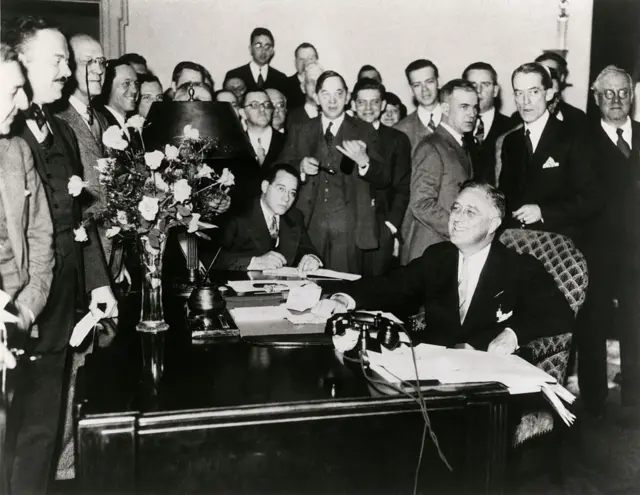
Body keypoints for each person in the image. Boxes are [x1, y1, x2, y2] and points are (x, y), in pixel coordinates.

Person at [3, 17, 117, 494]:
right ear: (20, 65)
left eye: (68, 62)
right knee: (13, 431)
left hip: (60, 299)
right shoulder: (9, 135)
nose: (66, 72)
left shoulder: (62, 131)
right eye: (56, 61)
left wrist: (98, 281)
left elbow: (79, 220)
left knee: (42, 431)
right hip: (19, 304)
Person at [324, 181, 574, 352]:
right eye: (456, 208)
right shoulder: (438, 257)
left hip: (486, 384)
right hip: (433, 376)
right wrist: (345, 298)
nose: (457, 218)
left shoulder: (519, 268)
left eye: (470, 212)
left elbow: (560, 313)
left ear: (493, 224)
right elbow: (393, 285)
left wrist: (513, 333)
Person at [277, 70, 389, 274]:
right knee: (306, 284)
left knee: (343, 287)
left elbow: (384, 178)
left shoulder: (365, 130)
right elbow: (282, 166)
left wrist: (364, 161)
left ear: (347, 97)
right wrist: (300, 166)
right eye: (326, 94)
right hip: (309, 226)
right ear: (317, 97)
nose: (332, 100)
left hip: (349, 228)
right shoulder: (301, 129)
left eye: (338, 93)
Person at [579, 65, 640, 423]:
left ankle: (634, 394)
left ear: (632, 96)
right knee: (593, 323)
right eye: (608, 93)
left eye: (623, 93)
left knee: (637, 319)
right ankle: (593, 400)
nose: (616, 100)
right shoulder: (581, 141)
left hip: (638, 252)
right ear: (596, 96)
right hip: (596, 250)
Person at [497, 62, 599, 239]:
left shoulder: (573, 137)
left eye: (534, 92)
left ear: (549, 93)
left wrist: (543, 212)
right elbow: (506, 195)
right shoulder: (510, 142)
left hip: (560, 244)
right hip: (517, 243)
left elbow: (591, 198)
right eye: (519, 93)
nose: (525, 101)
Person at [0, 40, 53, 361]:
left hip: (17, 321)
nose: (22, 103)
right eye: (12, 92)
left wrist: (26, 309)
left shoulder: (17, 152)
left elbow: (40, 237)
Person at [400, 79, 477, 264]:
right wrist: (462, 228)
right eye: (464, 107)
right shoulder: (431, 147)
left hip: (447, 248)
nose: (472, 114)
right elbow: (422, 204)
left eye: (475, 107)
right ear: (445, 108)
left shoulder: (461, 144)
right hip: (430, 249)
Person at [351, 78, 410, 276]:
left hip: (380, 228)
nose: (368, 108)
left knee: (376, 289)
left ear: (383, 105)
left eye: (374, 102)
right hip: (347, 229)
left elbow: (403, 187)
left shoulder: (397, 139)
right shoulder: (343, 134)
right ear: (352, 104)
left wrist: (391, 227)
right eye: (361, 102)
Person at [214, 163, 322, 272]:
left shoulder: (294, 216)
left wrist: (313, 258)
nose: (286, 198)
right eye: (281, 189)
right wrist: (253, 262)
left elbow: (307, 248)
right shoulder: (238, 213)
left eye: (292, 193)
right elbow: (211, 256)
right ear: (265, 186)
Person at [55, 35, 109, 207]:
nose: (99, 70)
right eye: (88, 62)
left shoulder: (103, 120)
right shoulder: (58, 120)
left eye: (101, 62)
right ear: (69, 68)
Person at [462, 62, 513, 184]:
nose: (478, 91)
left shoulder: (512, 127)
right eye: (472, 85)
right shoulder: (456, 127)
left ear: (495, 91)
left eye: (485, 84)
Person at [394, 59, 441, 153]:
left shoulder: (456, 119)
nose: (425, 89)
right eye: (417, 85)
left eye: (429, 81)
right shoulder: (400, 131)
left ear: (438, 82)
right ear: (411, 90)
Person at [224, 27, 289, 95]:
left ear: (272, 51)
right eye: (258, 45)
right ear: (250, 49)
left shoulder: (281, 78)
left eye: (267, 46)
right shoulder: (234, 75)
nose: (263, 51)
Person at [100, 59, 142, 151]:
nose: (135, 90)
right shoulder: (101, 124)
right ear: (108, 86)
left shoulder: (131, 126)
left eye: (136, 83)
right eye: (126, 83)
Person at [535, 52, 586, 127]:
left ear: (562, 77)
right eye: (540, 73)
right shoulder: (520, 117)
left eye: (551, 73)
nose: (544, 80)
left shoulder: (577, 117)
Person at [242, 89, 286, 167]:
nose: (262, 109)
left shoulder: (287, 141)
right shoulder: (236, 145)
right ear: (243, 113)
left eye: (267, 105)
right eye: (254, 105)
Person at [286, 61, 323, 132]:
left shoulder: (333, 113)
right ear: (303, 87)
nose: (316, 86)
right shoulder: (293, 118)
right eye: (311, 82)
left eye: (320, 81)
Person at [284, 42, 318, 109]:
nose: (306, 63)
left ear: (317, 61)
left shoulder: (324, 83)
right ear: (295, 63)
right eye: (301, 59)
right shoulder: (285, 85)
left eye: (310, 58)